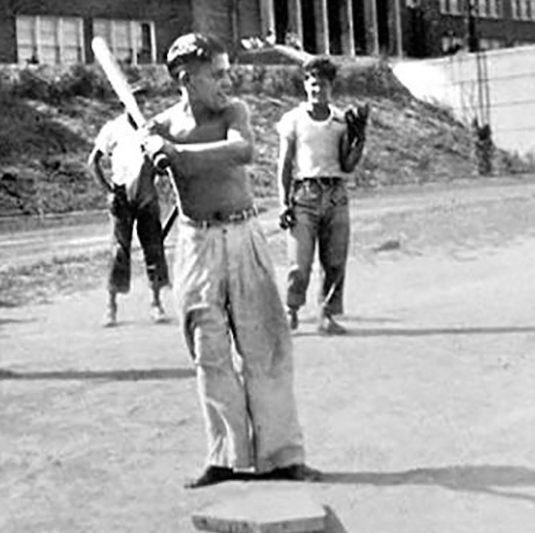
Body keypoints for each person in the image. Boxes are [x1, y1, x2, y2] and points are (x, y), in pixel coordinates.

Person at [140, 32, 320, 488]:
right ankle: (225, 457)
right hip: (195, 244)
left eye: (227, 71)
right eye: (216, 73)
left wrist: (178, 154)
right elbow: (134, 191)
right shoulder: (161, 126)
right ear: (186, 78)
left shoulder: (233, 112)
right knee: (209, 352)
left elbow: (243, 150)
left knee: (266, 345)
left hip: (243, 236)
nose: (227, 80)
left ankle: (282, 455)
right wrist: (146, 154)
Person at [276, 56, 367, 335]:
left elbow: (347, 164)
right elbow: (285, 163)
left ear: (332, 87)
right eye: (313, 84)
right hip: (304, 194)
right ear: (306, 85)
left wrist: (359, 136)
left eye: (324, 85)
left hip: (336, 194)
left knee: (335, 261)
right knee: (299, 263)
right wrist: (283, 202)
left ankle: (327, 314)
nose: (318, 90)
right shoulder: (292, 120)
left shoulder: (340, 120)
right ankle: (291, 309)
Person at [88, 109, 170, 327]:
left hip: (146, 195)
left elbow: (165, 164)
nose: (139, 104)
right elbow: (93, 162)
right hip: (122, 196)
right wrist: (108, 191)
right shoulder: (113, 128)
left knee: (154, 249)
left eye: (142, 99)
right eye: (135, 98)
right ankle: (111, 307)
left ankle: (156, 303)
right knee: (119, 251)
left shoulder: (152, 129)